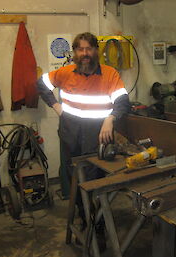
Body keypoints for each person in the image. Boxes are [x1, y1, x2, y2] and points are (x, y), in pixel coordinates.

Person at [37, 32, 130, 243]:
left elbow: (123, 102)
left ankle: (98, 225)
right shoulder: (65, 72)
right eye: (81, 49)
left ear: (96, 51)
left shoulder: (109, 74)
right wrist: (56, 106)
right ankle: (84, 218)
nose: (85, 53)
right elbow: (42, 84)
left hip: (98, 136)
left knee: (96, 182)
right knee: (76, 180)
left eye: (89, 49)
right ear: (75, 52)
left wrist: (110, 119)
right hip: (70, 134)